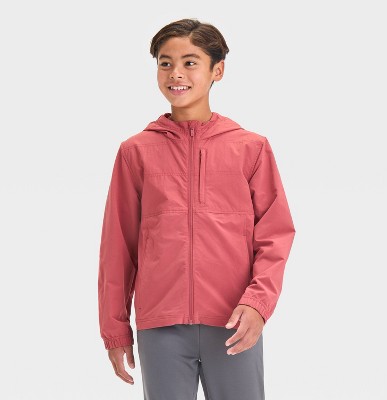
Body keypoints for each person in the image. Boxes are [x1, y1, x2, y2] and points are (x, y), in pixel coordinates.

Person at [98, 18, 296, 400]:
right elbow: (117, 248)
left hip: (236, 321)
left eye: (190, 62)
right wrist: (115, 328)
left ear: (217, 70)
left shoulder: (251, 148)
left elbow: (275, 236)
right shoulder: (135, 152)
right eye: (165, 62)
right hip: (161, 326)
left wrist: (258, 304)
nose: (176, 73)